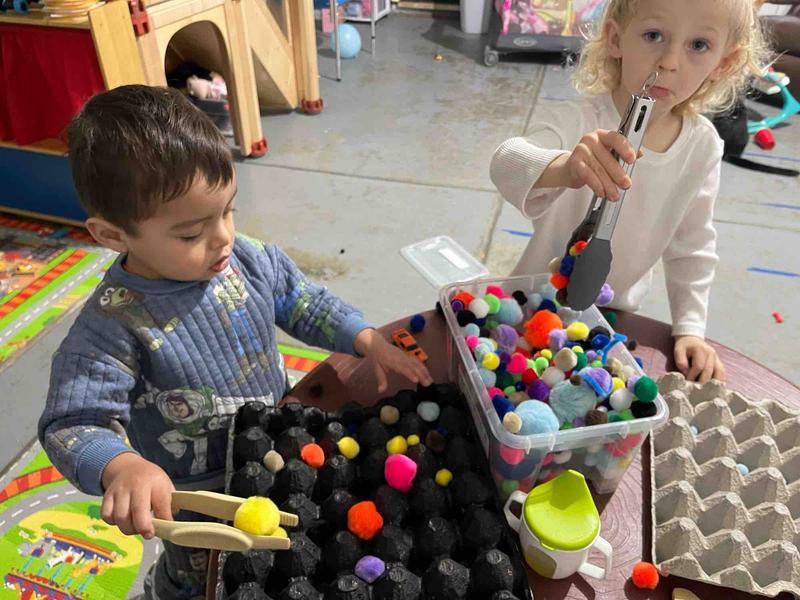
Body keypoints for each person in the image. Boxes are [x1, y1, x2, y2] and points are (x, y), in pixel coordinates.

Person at [38, 85, 433, 599]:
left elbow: (301, 300)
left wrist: (365, 339)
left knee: (286, 557)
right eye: (190, 233)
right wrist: (121, 464)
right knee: (206, 579)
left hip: (275, 447)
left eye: (229, 210)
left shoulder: (245, 259)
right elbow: (72, 422)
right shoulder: (112, 326)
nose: (223, 236)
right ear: (113, 235)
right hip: (197, 499)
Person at [490, 0, 770, 383]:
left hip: (609, 318)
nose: (670, 61)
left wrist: (689, 328)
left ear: (723, 61)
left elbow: (692, 246)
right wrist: (566, 167)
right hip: (529, 309)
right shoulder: (579, 121)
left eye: (699, 45)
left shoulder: (702, 147)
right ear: (616, 38)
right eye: (653, 36)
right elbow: (505, 161)